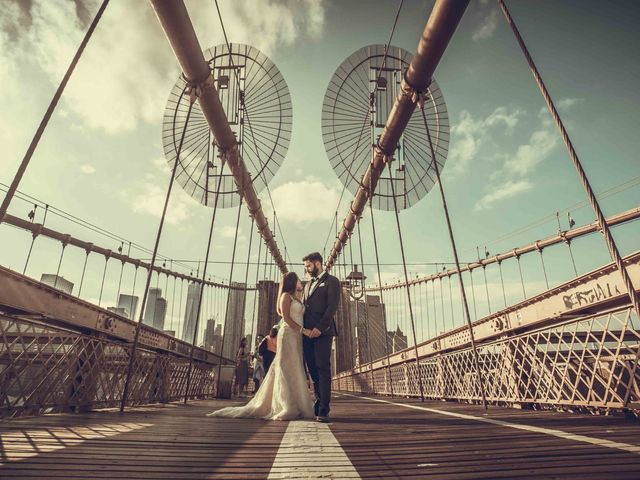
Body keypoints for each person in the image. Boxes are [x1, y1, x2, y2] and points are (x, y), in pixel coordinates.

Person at [207, 272, 314, 421]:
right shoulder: (285, 297)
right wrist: (304, 330)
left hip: (297, 338)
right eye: (297, 279)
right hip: (288, 336)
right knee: (286, 368)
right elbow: (287, 319)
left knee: (296, 368)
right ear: (292, 281)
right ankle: (287, 404)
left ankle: (298, 403)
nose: (299, 281)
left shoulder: (296, 297)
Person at [302, 251, 340, 423]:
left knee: (322, 367)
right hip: (307, 334)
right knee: (312, 370)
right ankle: (317, 402)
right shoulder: (307, 284)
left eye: (308, 266)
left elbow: (331, 307)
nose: (307, 270)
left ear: (318, 264)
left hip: (323, 332)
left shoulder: (332, 282)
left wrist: (319, 327)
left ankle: (324, 408)